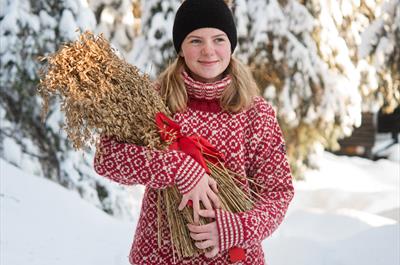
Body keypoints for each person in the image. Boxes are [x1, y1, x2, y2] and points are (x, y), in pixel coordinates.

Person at [94, 0, 294, 264]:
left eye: (219, 39)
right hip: (160, 257)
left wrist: (238, 229)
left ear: (231, 45)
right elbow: (107, 158)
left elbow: (278, 192)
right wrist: (177, 168)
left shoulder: (255, 114)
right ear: (181, 48)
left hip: (233, 259)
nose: (208, 50)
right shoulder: (154, 102)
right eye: (196, 40)